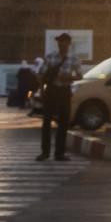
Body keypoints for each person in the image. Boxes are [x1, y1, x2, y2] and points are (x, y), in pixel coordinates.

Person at [35, 33, 84, 161]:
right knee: (46, 122)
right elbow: (41, 75)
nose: (61, 44)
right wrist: (41, 90)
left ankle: (59, 153)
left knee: (63, 122)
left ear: (68, 44)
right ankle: (45, 152)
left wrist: (67, 78)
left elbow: (80, 76)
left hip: (64, 91)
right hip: (51, 90)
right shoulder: (50, 57)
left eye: (63, 42)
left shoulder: (74, 59)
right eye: (59, 42)